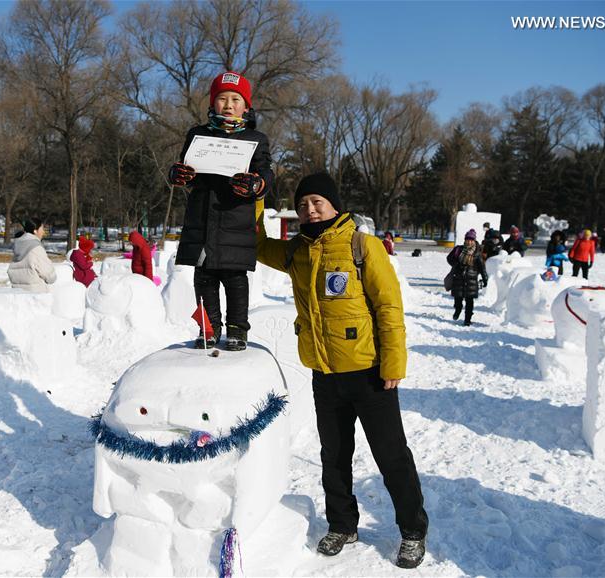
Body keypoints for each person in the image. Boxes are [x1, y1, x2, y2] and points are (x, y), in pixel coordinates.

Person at [255, 173, 428, 568]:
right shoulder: (297, 251)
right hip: (325, 374)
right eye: (302, 205)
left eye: (316, 202)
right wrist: (254, 197)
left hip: (369, 374)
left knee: (391, 455)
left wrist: (394, 364)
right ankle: (343, 524)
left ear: (334, 205)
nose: (309, 210)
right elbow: (259, 245)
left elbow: (388, 308)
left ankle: (413, 530)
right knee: (334, 455)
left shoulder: (361, 246)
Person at [168, 71, 274, 352]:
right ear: (212, 103)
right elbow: (186, 167)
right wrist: (178, 174)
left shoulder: (256, 139)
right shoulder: (197, 135)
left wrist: (256, 184)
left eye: (235, 99)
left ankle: (238, 330)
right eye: (222, 98)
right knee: (203, 279)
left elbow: (266, 173)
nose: (228, 105)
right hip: (202, 222)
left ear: (246, 106)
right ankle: (208, 328)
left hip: (235, 224)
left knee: (236, 280)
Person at [446, 229, 488, 326]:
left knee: (469, 302)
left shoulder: (477, 253)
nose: (469, 241)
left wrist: (485, 279)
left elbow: (482, 268)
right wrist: (456, 264)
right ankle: (457, 310)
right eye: (467, 239)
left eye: (471, 240)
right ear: (465, 240)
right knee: (458, 299)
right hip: (458, 278)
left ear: (474, 241)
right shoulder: (458, 249)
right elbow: (449, 258)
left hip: (471, 280)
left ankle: (467, 320)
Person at [7, 218, 56, 292]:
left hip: (18, 294)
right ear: (35, 231)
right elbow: (50, 276)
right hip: (36, 295)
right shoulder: (36, 248)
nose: (43, 232)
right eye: (42, 229)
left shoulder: (19, 246)